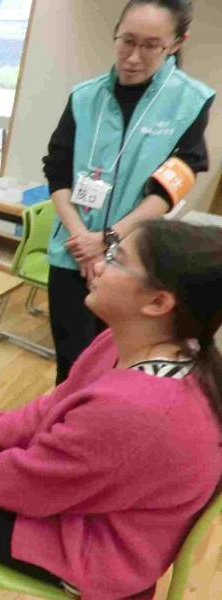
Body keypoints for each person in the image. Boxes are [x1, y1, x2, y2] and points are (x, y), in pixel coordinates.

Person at [0, 219, 222, 599]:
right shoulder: (135, 342)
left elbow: (28, 485)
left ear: (158, 302)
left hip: (93, 549)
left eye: (116, 259)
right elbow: (49, 410)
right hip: (82, 501)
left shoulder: (139, 411)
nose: (98, 264)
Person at [43, 0, 214, 383]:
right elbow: (57, 171)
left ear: (176, 43)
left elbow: (171, 185)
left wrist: (107, 240)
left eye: (151, 46)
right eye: (127, 41)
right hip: (72, 252)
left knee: (116, 369)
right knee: (70, 367)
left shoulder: (190, 101)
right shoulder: (85, 96)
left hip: (130, 261)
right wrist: (82, 239)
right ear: (116, 33)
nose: (133, 57)